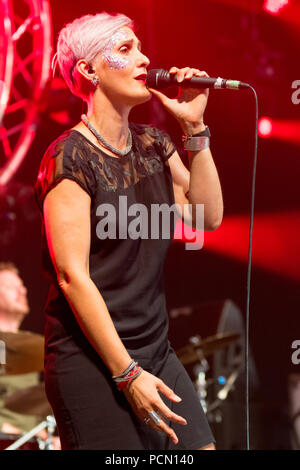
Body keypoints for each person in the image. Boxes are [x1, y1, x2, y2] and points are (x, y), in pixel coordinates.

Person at [34, 12, 223, 450]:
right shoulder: (69, 157)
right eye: (125, 50)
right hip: (91, 359)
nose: (144, 58)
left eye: (140, 47)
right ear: (88, 70)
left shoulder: (154, 144)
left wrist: (195, 130)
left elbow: (205, 216)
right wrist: (127, 374)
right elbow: (71, 277)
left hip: (153, 346)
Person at [0, 262, 61, 449]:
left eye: (22, 287)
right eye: (12, 287)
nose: (23, 291)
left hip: (32, 440)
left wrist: (51, 437)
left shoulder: (26, 347)